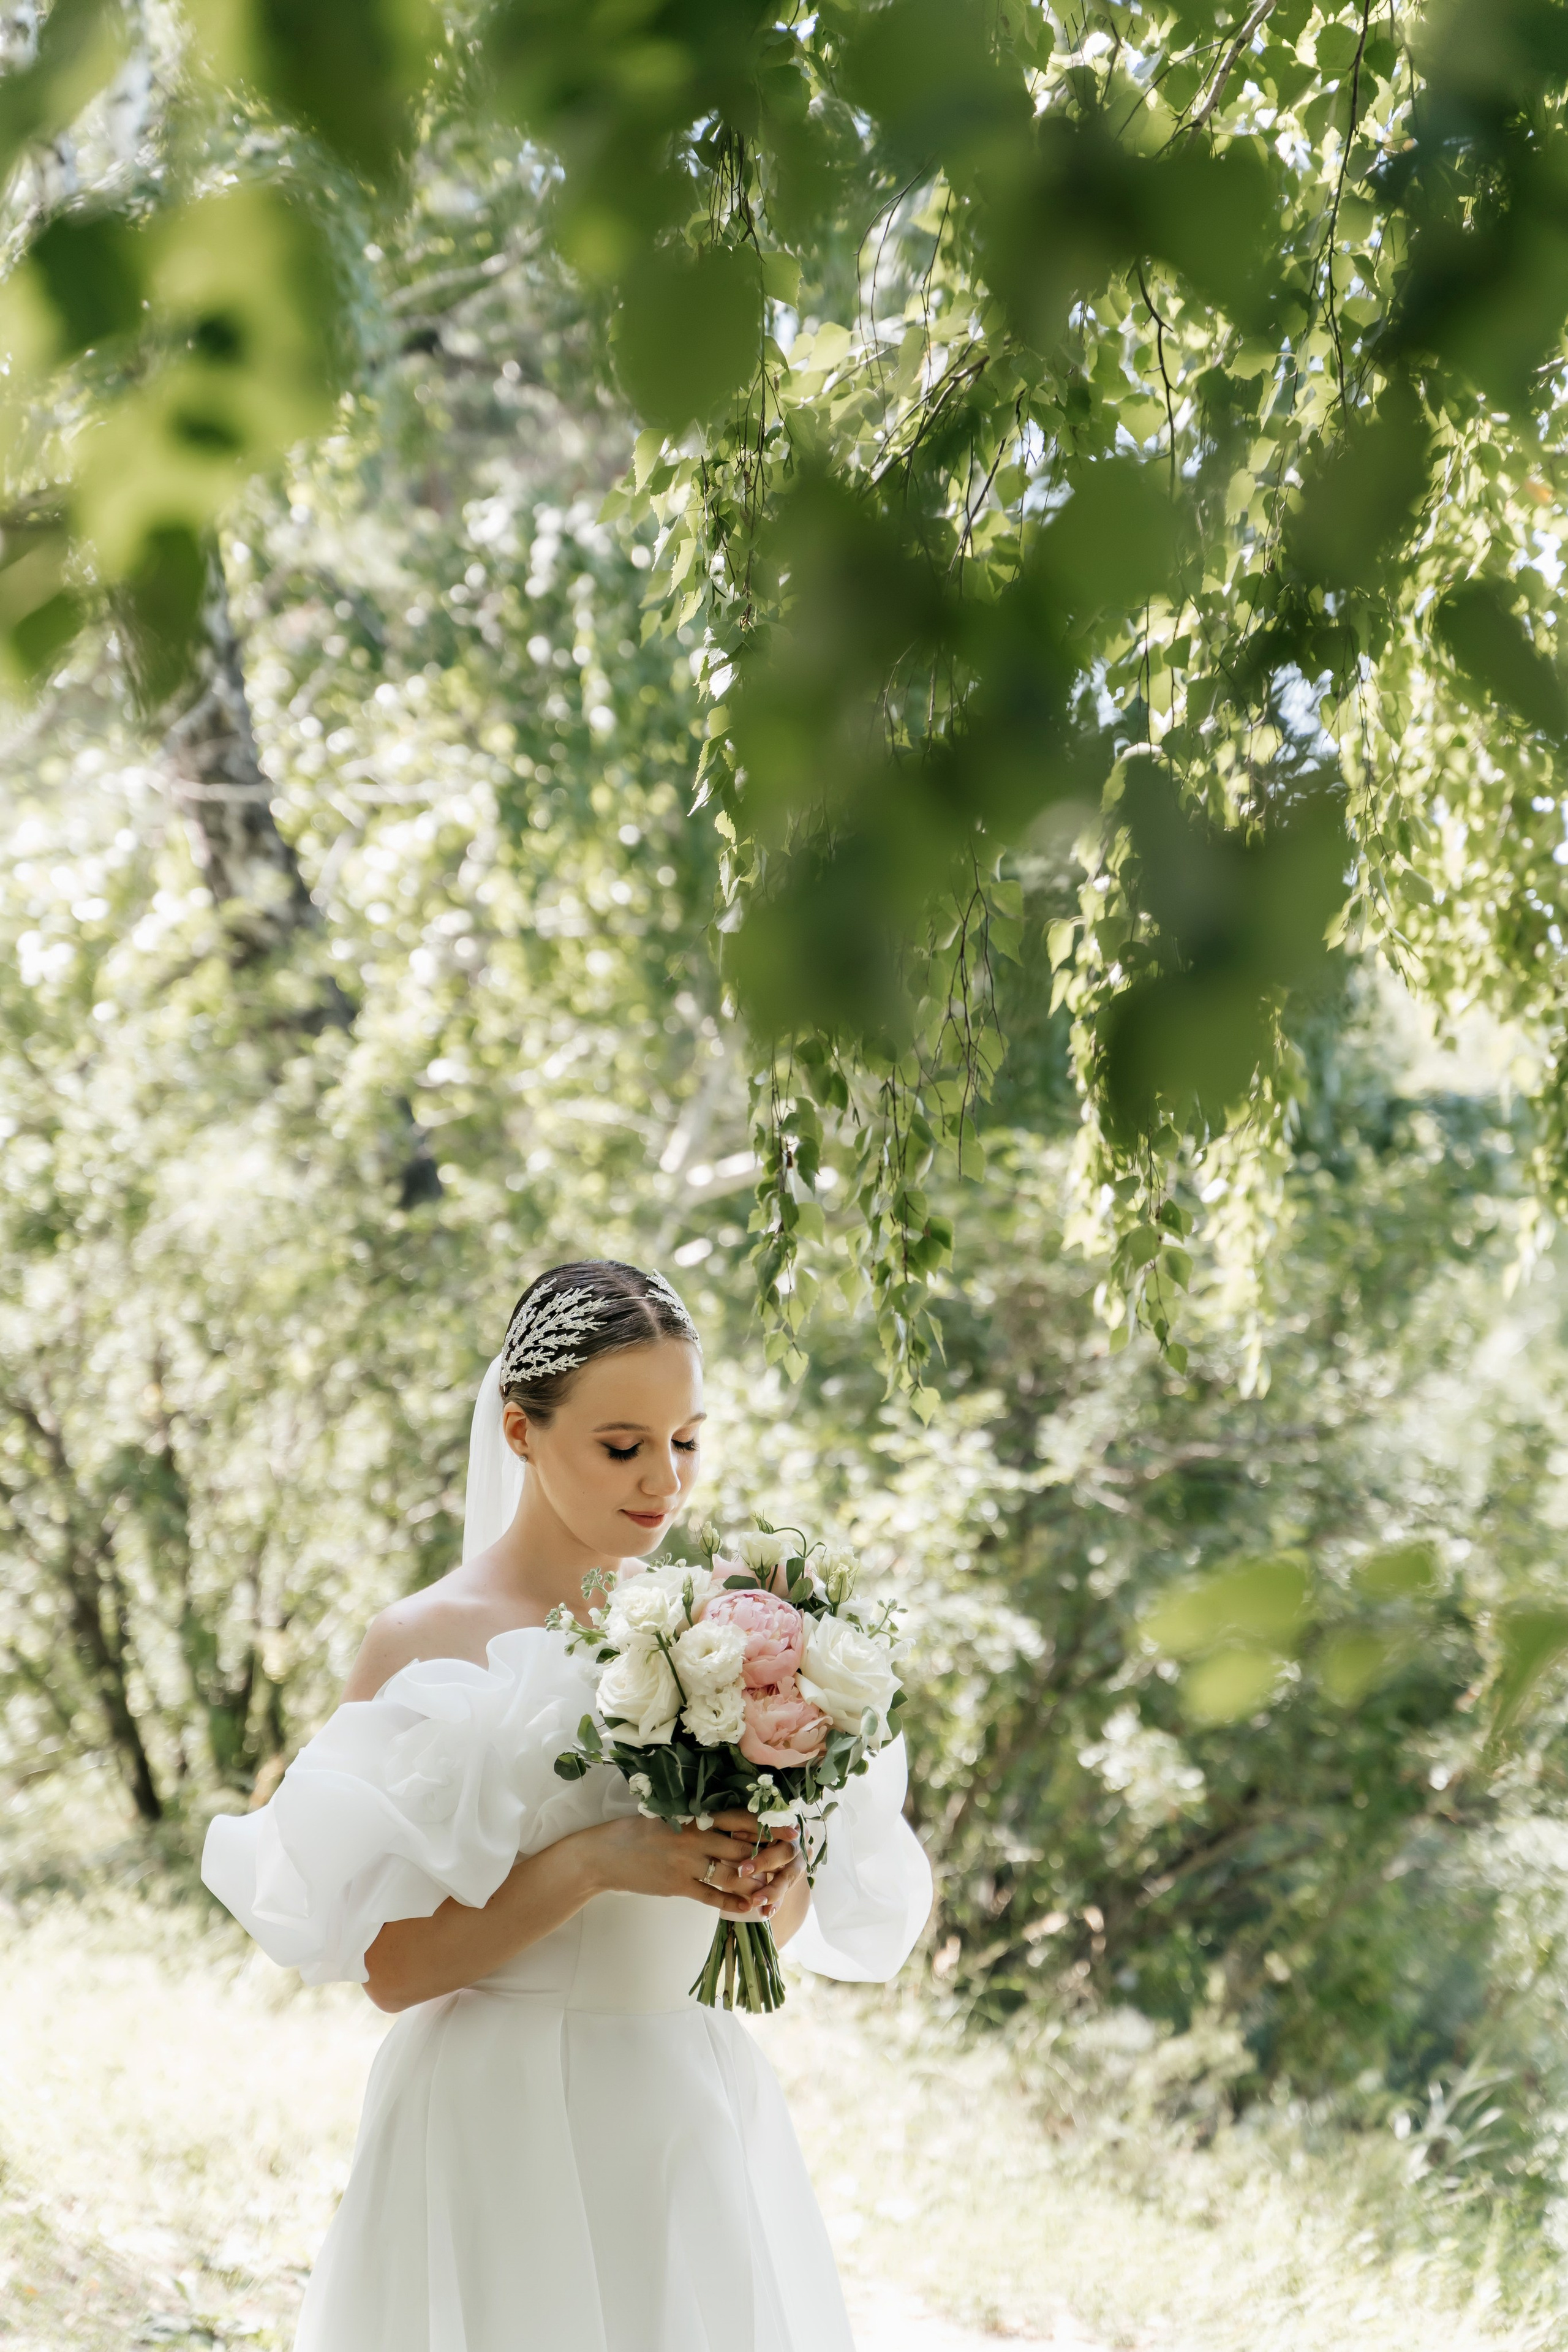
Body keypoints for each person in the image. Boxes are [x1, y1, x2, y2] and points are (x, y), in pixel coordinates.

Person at [202, 1258, 932, 2352]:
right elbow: (390, 1972)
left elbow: (769, 1936)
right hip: (496, 2115)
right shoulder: (422, 1643)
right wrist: (597, 1862)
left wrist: (763, 1883)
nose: (664, 1480)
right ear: (520, 1432)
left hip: (683, 2101)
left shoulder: (719, 1634)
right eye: (622, 1445)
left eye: (686, 1440)